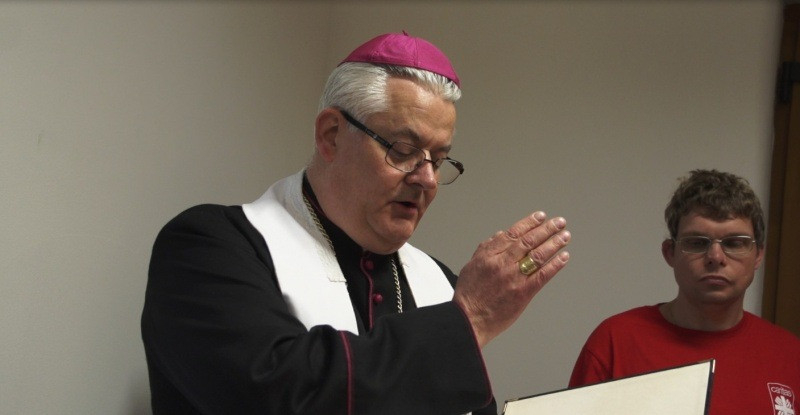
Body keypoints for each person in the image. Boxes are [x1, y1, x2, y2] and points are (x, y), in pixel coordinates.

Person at [141, 32, 572, 415]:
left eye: (439, 160)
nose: (426, 179)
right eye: (403, 149)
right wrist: (471, 319)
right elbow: (276, 395)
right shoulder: (208, 248)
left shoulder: (440, 283)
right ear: (331, 135)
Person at [569, 169, 800, 414]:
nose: (715, 257)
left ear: (758, 255)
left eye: (734, 243)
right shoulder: (614, 342)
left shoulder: (790, 354)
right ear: (670, 253)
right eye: (697, 242)